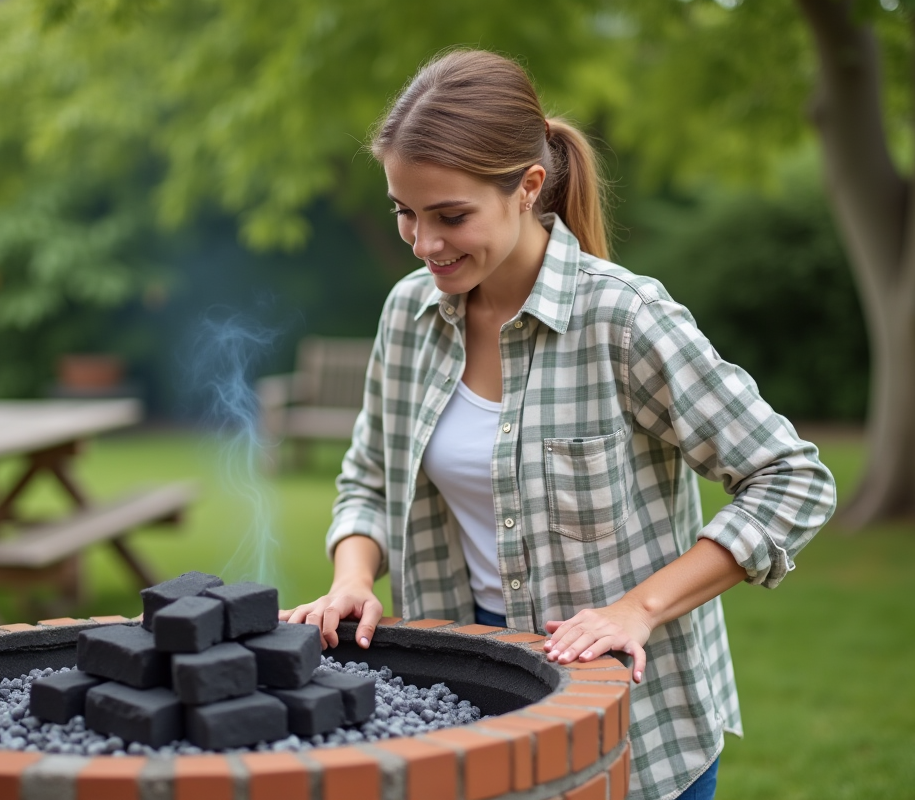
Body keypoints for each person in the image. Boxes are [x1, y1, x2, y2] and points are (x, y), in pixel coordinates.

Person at [280, 49, 836, 800]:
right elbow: (371, 476)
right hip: (466, 719)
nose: (423, 243)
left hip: (635, 730)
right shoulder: (408, 316)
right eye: (405, 212)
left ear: (528, 188)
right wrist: (352, 577)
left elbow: (792, 480)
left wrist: (637, 609)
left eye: (450, 215)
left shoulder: (624, 318)